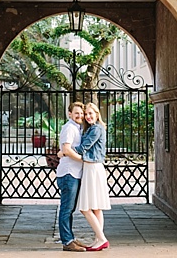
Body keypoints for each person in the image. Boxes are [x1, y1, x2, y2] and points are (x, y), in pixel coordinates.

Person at [59, 102, 111, 252]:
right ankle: (98, 238)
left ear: (96, 114)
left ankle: (101, 239)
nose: (85, 116)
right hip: (85, 169)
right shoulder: (78, 128)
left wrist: (64, 151)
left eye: (89, 113)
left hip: (92, 168)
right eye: (83, 113)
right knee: (93, 207)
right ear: (69, 114)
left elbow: (83, 148)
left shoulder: (96, 129)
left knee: (87, 207)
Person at [56, 101, 88, 252]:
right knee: (66, 209)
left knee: (70, 209)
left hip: (74, 172)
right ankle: (67, 241)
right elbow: (67, 150)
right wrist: (84, 160)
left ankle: (71, 238)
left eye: (81, 113)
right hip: (69, 173)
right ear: (69, 114)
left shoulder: (77, 128)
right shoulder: (69, 128)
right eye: (76, 113)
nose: (80, 116)